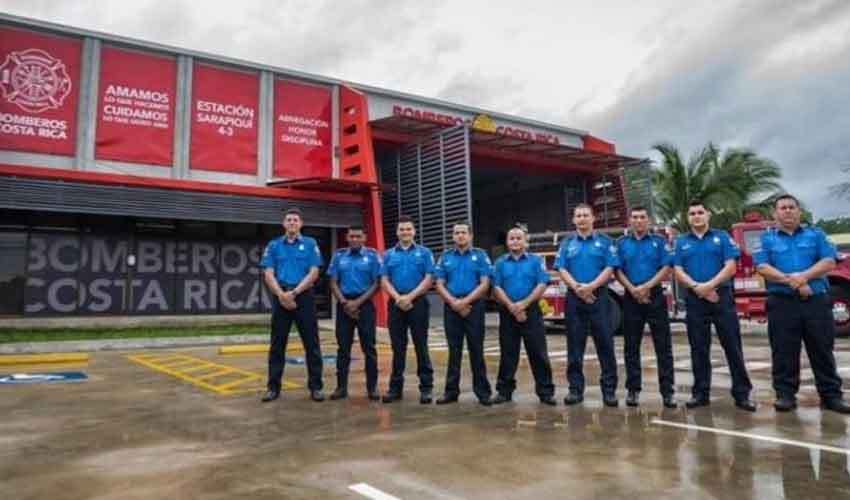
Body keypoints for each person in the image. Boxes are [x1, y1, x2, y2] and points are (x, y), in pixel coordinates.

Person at [753, 194, 850, 414]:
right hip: (782, 303)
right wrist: (793, 281)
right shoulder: (766, 239)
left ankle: (831, 396)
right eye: (782, 208)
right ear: (774, 213)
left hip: (815, 301)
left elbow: (828, 261)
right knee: (784, 351)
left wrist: (804, 277)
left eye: (791, 207)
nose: (787, 211)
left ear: (799, 211)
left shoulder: (816, 234)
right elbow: (762, 267)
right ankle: (785, 395)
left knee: (822, 349)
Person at [673, 200, 756, 411]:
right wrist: (697, 287)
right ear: (688, 218)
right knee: (698, 349)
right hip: (695, 300)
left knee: (732, 347)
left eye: (700, 212)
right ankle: (700, 394)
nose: (696, 216)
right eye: (692, 213)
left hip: (722, 298)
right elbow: (678, 270)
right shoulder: (681, 241)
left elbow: (730, 266)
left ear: (708, 215)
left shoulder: (722, 237)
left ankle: (742, 394)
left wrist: (710, 286)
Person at [555, 203, 620, 407]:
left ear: (593, 218)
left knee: (605, 344)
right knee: (574, 346)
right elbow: (561, 268)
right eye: (578, 216)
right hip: (575, 298)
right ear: (574, 220)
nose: (582, 219)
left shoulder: (605, 242)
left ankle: (609, 391)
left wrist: (591, 287)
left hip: (599, 297)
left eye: (585, 215)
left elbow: (610, 268)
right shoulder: (567, 243)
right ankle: (575, 390)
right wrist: (577, 287)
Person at [260, 208, 324, 403]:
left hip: (303, 297)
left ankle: (316, 388)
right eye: (289, 220)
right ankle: (273, 388)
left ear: (301, 224)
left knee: (312, 345)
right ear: (284, 224)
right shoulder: (274, 245)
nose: (292, 223)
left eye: (295, 220)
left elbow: (314, 273)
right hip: (281, 297)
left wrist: (294, 293)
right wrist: (281, 294)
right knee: (277, 345)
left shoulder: (310, 244)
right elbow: (268, 273)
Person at [615, 206, 677, 408]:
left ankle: (667, 392)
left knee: (663, 347)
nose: (639, 221)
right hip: (631, 297)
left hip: (655, 297)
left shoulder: (659, 242)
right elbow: (617, 271)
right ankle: (633, 390)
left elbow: (667, 267)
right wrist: (633, 289)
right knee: (631, 347)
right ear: (630, 221)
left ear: (648, 220)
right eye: (635, 217)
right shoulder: (622, 243)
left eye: (642, 217)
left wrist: (647, 287)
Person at [491, 225, 556, 405]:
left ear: (526, 242)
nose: (515, 241)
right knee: (508, 353)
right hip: (507, 312)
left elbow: (542, 284)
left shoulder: (536, 261)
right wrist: (512, 307)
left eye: (519, 238)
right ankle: (504, 391)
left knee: (538, 353)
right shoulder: (500, 263)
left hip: (532, 312)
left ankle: (545, 392)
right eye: (511, 238)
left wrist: (523, 305)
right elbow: (496, 287)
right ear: (507, 242)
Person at [434, 222, 494, 405]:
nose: (460, 236)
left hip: (474, 308)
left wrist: (465, 302)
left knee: (476, 350)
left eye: (463, 233)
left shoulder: (480, 255)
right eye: (456, 233)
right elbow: (439, 283)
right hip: (451, 307)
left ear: (470, 236)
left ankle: (483, 392)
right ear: (453, 236)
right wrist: (454, 303)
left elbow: (485, 283)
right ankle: (451, 392)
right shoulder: (445, 257)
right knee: (454, 351)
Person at [380, 215, 436, 404]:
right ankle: (395, 389)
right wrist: (398, 298)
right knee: (398, 348)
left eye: (408, 229)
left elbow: (429, 278)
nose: (405, 232)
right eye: (402, 229)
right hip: (396, 304)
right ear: (397, 232)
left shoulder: (425, 253)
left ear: (414, 231)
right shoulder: (388, 254)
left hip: (418, 303)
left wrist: (410, 297)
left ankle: (426, 388)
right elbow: (384, 279)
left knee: (421, 346)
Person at [326, 225, 382, 401]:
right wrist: (344, 302)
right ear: (347, 238)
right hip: (344, 305)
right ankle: (341, 388)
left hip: (364, 306)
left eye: (358, 236)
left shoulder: (372, 256)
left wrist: (357, 303)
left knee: (369, 349)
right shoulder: (339, 256)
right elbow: (333, 281)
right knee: (343, 349)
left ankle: (372, 388)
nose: (355, 239)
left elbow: (377, 283)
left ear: (364, 238)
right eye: (352, 236)